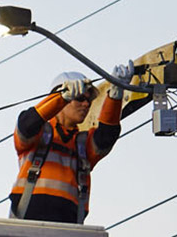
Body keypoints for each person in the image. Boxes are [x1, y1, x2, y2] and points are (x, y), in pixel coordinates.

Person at [10, 71, 122, 223]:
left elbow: (106, 136)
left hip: (68, 227)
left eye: (89, 100)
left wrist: (114, 98)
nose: (86, 104)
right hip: (27, 221)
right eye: (80, 98)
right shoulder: (40, 133)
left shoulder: (83, 143)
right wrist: (60, 98)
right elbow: (27, 124)